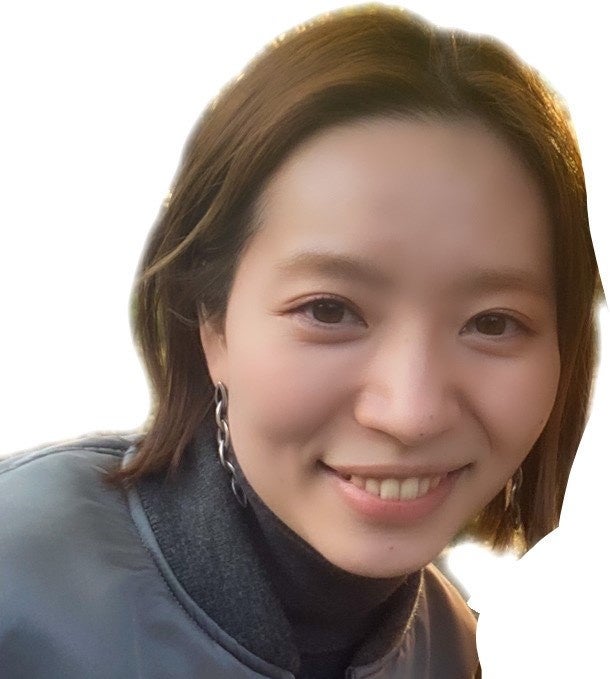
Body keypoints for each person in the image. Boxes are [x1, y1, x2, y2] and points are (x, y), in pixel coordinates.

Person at [0, 4, 602, 678]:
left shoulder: (458, 651)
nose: (411, 413)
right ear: (211, 323)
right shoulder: (17, 579)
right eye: (329, 309)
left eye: (492, 322)